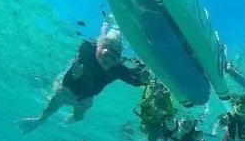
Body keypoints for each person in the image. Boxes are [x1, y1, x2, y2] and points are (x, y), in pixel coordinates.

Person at [17, 23, 151, 133]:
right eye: (106, 54)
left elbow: (135, 79)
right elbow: (83, 52)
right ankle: (40, 120)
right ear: (99, 47)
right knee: (50, 109)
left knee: (78, 118)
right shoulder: (88, 52)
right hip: (66, 91)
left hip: (86, 99)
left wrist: (144, 76)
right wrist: (76, 74)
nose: (108, 61)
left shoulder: (117, 69)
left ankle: (69, 120)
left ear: (118, 60)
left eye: (113, 58)